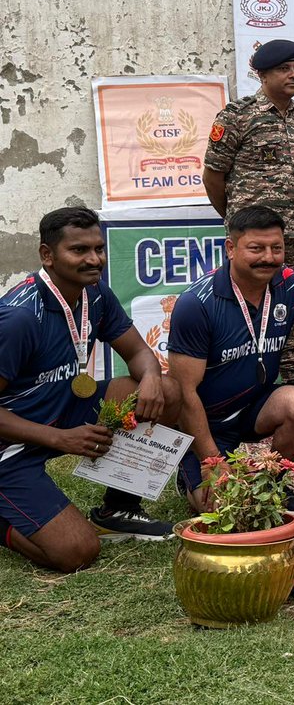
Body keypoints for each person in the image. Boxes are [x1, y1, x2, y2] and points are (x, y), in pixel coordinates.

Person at [0, 207, 184, 571]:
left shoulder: (94, 293)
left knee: (166, 391)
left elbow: (137, 352)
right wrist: (61, 440)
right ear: (47, 255)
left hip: (62, 409)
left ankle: (120, 507)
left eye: (98, 248)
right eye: (79, 250)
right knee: (76, 552)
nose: (93, 259)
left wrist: (150, 377)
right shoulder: (18, 318)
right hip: (11, 444)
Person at [167, 206, 294, 515]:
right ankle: (192, 471)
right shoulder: (196, 304)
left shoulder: (292, 284)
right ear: (231, 248)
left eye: (276, 248)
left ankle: (270, 480)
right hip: (207, 422)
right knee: (228, 508)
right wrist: (212, 462)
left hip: (255, 407)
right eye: (256, 248)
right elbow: (184, 394)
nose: (268, 257)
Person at [204, 39, 294, 384]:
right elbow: (213, 176)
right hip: (253, 238)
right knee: (247, 306)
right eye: (284, 69)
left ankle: (292, 382)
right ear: (263, 75)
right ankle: (244, 382)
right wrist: (236, 224)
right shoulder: (237, 116)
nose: (293, 75)